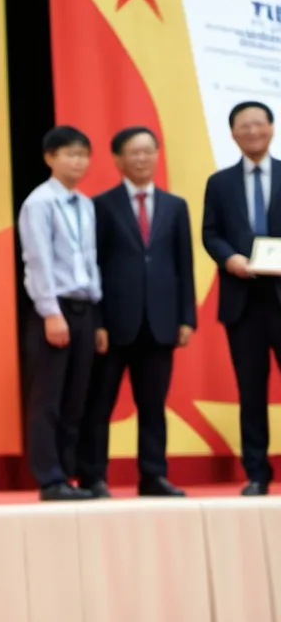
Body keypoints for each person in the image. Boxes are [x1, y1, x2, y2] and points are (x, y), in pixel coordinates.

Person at [78, 127, 195, 498]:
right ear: (117, 159)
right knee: (100, 404)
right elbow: (91, 265)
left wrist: (186, 318)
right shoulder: (100, 205)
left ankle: (153, 476)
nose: (142, 158)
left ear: (158, 155)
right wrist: (96, 321)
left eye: (148, 151)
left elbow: (184, 265)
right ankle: (93, 476)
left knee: (153, 404)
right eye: (134, 152)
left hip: (161, 323)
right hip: (113, 323)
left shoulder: (176, 206)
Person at [18, 125, 101, 500]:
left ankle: (69, 474)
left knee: (76, 397)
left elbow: (91, 261)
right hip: (54, 307)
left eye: (83, 154)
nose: (77, 161)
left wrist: (97, 315)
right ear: (49, 157)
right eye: (70, 153)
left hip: (86, 308)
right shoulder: (39, 202)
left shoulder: (86, 204)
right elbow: (38, 261)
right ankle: (49, 478)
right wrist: (51, 312)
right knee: (48, 398)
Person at [203, 100, 281, 496]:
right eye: (243, 126)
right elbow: (210, 233)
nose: (252, 132)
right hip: (242, 301)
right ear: (232, 133)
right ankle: (257, 473)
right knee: (251, 391)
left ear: (271, 127)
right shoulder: (220, 183)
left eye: (258, 124)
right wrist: (229, 257)